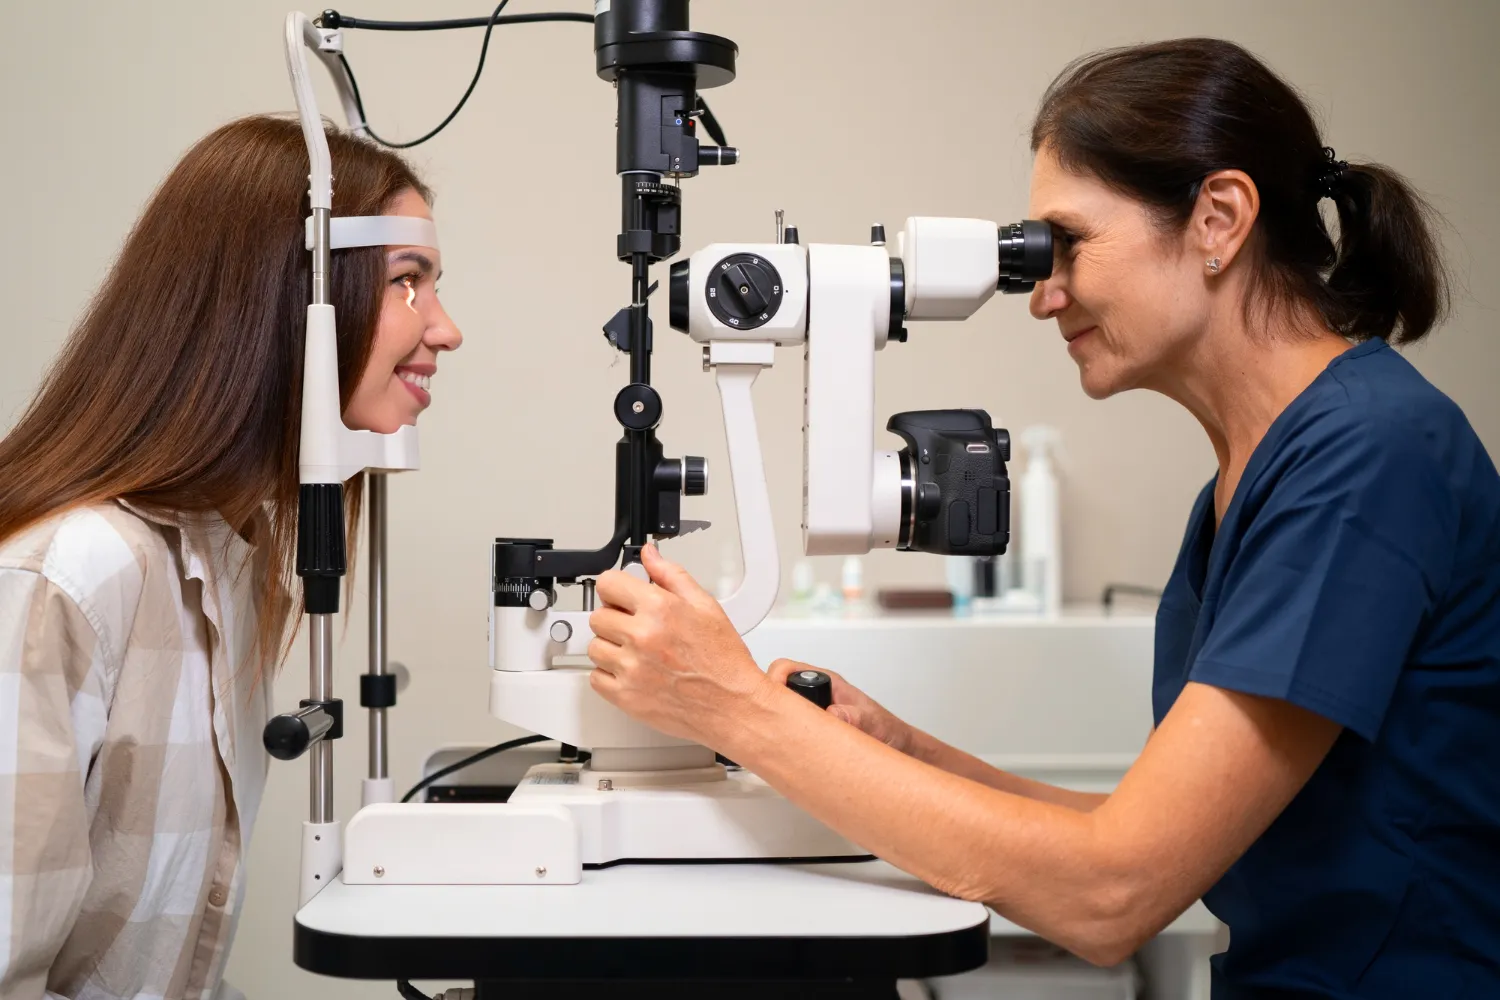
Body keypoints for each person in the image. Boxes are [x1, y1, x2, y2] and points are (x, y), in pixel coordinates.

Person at [582, 38, 1500, 997]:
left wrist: (735, 706)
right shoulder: (1259, 475)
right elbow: (1139, 837)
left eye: (1069, 244)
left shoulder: (1365, 460)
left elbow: (1112, 893)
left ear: (1218, 218)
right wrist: (901, 751)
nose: (1042, 294)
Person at [0, 115, 461, 1000]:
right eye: (409, 283)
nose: (445, 330)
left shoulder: (233, 567)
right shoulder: (68, 581)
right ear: (288, 297)